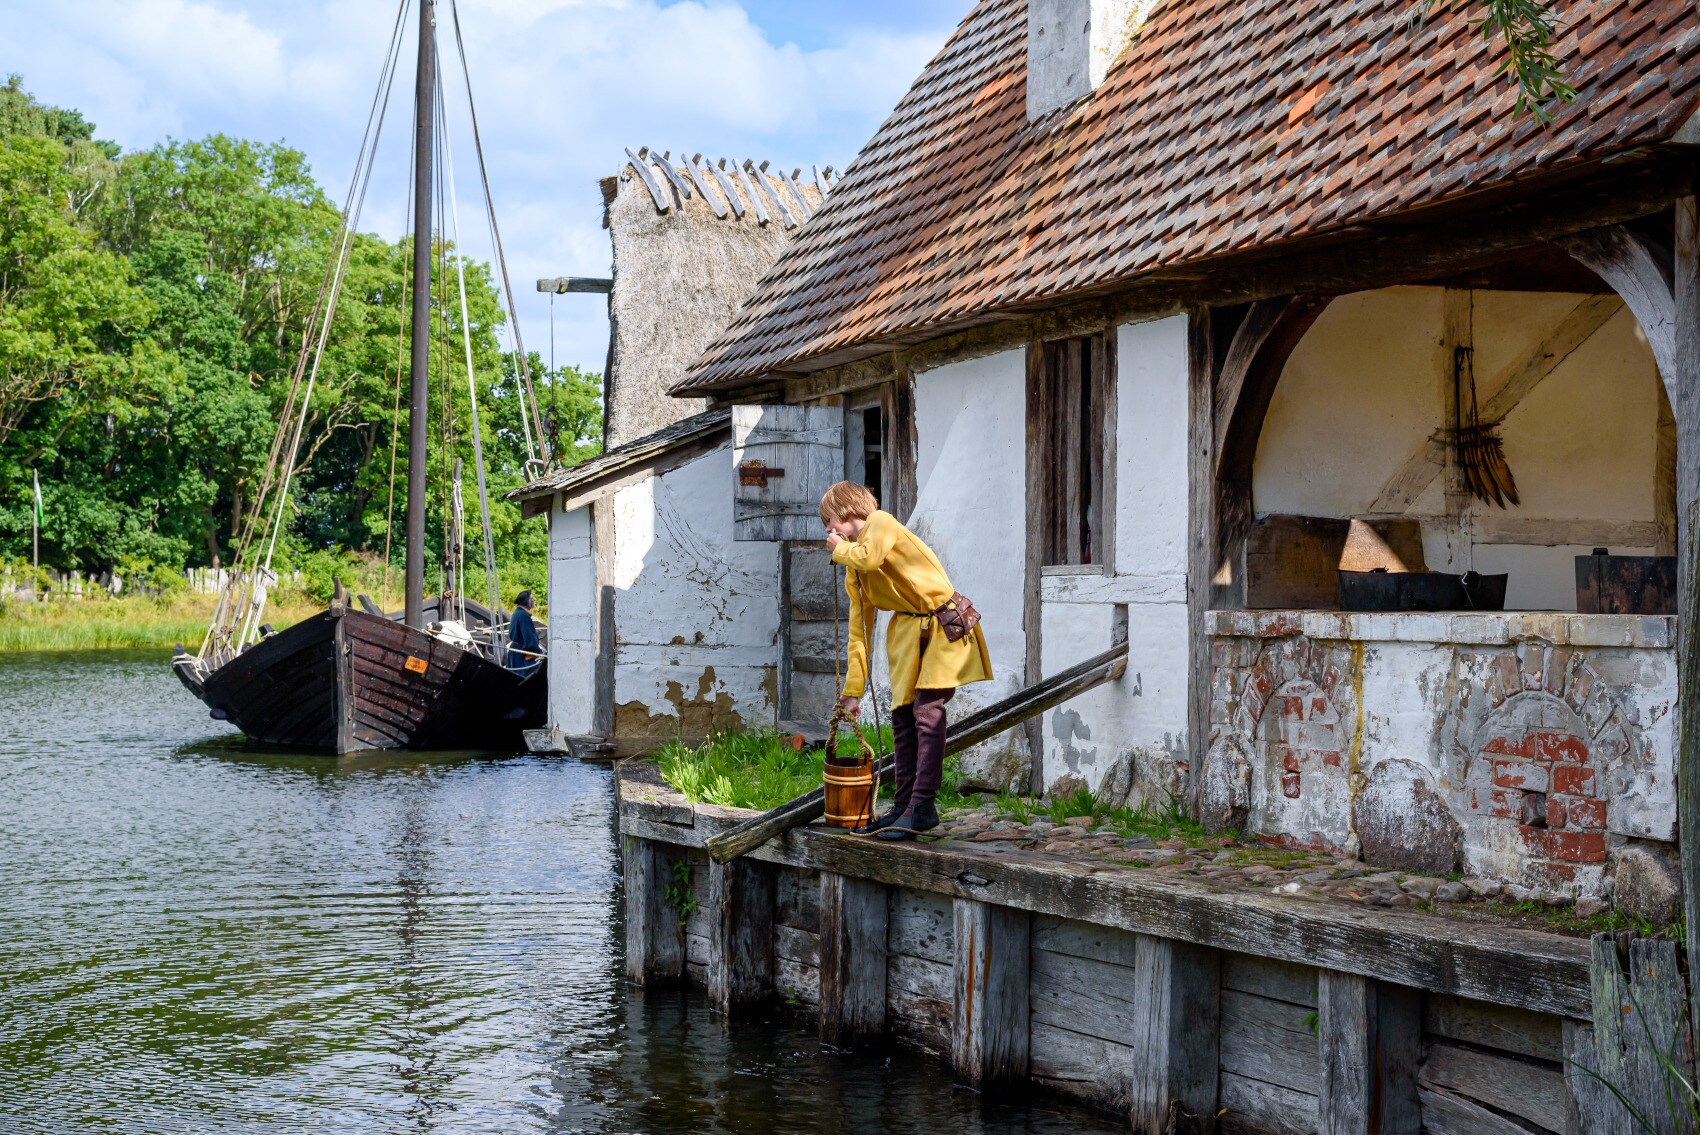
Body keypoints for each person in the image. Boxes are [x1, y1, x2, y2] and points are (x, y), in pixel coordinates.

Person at [822, 482, 991, 841]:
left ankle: (923, 806)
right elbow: (859, 632)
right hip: (910, 635)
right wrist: (852, 692)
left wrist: (840, 551)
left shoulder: (880, 522)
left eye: (830, 519)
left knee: (927, 713)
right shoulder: (856, 570)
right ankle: (903, 806)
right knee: (902, 717)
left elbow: (869, 555)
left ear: (850, 510)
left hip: (944, 624)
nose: (828, 530)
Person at [506, 589, 542, 676]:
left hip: (515, 650)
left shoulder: (517, 612)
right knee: (523, 676)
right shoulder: (523, 616)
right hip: (521, 653)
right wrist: (538, 653)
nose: (533, 600)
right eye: (531, 598)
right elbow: (529, 637)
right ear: (526, 601)